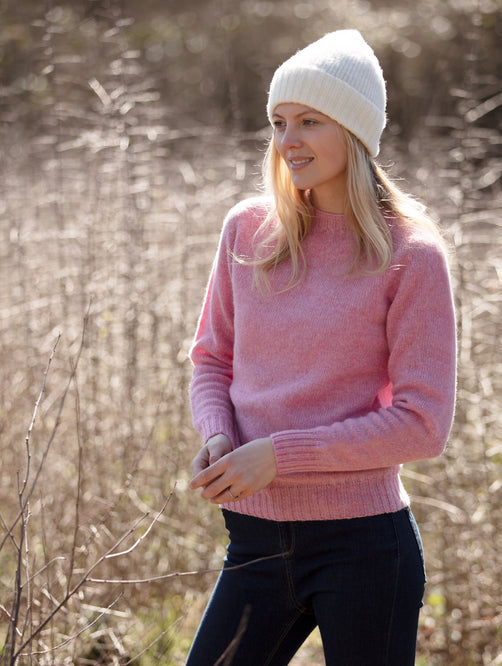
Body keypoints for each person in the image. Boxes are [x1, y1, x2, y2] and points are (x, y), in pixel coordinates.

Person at [186, 29, 456, 666]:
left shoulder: (411, 256)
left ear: (355, 132)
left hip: (364, 549)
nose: (288, 141)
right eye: (279, 122)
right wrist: (219, 435)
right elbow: (212, 359)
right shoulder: (247, 229)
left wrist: (278, 456)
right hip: (253, 540)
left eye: (310, 121)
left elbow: (422, 425)